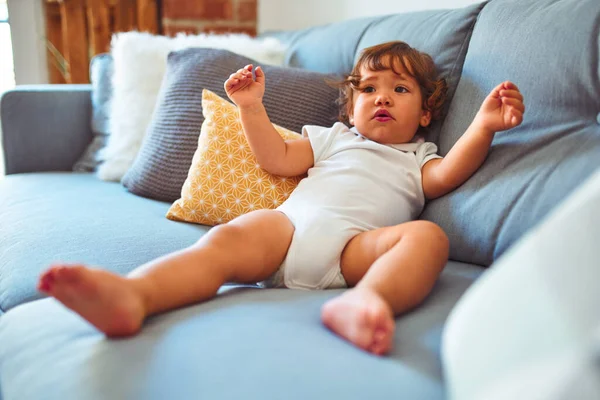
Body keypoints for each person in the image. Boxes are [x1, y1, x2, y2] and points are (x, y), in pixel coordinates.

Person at [37, 41, 524, 356]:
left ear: (424, 115)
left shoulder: (420, 158)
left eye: (400, 89)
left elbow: (450, 173)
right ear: (350, 106)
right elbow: (274, 158)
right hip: (285, 231)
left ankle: (366, 303)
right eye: (370, 88)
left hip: (355, 252)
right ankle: (135, 295)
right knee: (223, 244)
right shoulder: (332, 138)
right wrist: (251, 108)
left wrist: (482, 125)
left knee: (426, 238)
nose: (382, 98)